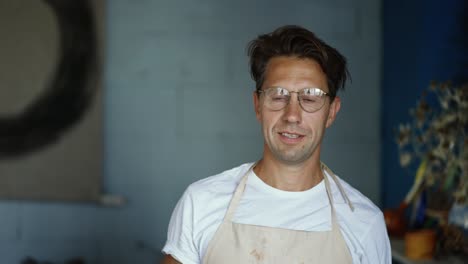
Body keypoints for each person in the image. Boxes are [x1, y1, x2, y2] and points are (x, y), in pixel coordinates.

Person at [161, 25, 391, 264]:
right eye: (278, 96)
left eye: (310, 98)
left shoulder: (364, 222)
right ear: (257, 105)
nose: (292, 115)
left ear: (331, 112)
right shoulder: (201, 202)